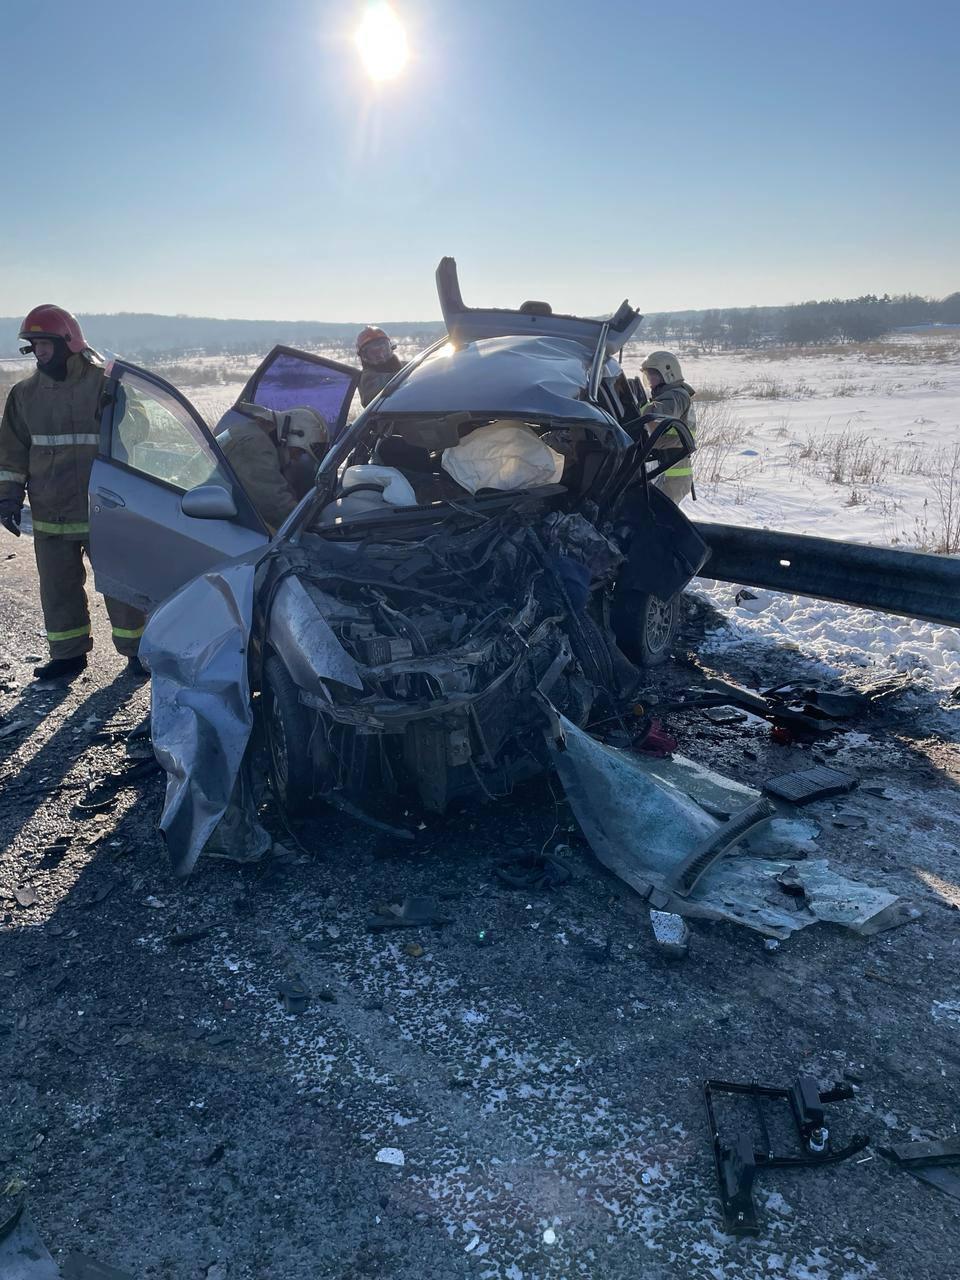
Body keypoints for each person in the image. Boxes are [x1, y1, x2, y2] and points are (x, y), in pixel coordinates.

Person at [0, 305, 147, 681]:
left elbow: (140, 433)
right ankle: (68, 656)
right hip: (52, 514)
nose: (39, 352)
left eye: (45, 343)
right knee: (58, 589)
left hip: (105, 509)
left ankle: (139, 652)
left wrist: (125, 410)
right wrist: (8, 497)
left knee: (122, 587)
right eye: (33, 345)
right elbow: (12, 455)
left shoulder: (106, 384)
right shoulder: (24, 395)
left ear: (68, 341)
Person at [215, 402, 329, 533]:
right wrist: (313, 527)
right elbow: (274, 504)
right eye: (299, 451)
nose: (296, 458)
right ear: (292, 435)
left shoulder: (251, 433)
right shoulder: (255, 444)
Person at [639, 349, 697, 504]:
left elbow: (658, 414)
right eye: (648, 375)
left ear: (668, 373)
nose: (650, 379)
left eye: (654, 374)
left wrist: (637, 405)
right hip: (668, 470)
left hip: (672, 473)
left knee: (659, 520)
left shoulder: (676, 396)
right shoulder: (669, 395)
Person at [356, 326, 403, 407]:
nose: (381, 356)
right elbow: (375, 394)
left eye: (384, 350)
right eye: (374, 353)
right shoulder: (367, 379)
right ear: (364, 357)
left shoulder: (405, 366)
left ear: (391, 348)